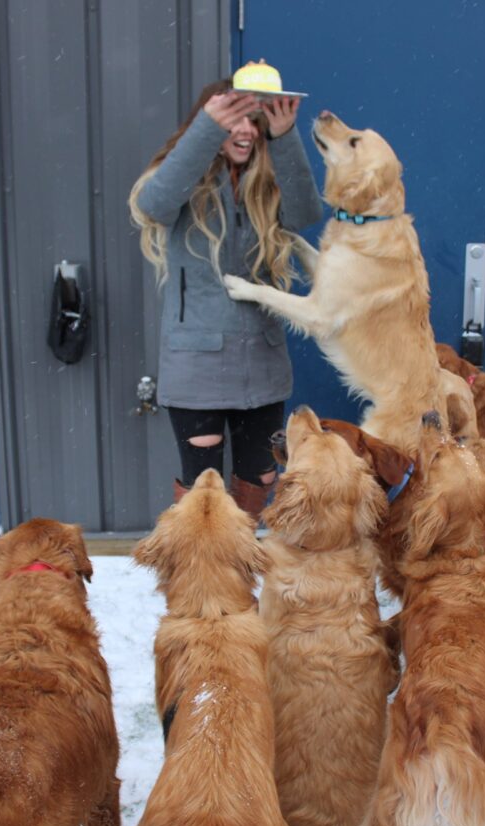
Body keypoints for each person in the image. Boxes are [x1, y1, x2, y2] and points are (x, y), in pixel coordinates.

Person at [129, 78, 322, 517]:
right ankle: (202, 578)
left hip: (262, 360)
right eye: (235, 118)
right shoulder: (186, 177)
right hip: (195, 361)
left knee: (262, 478)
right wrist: (206, 130)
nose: (246, 131)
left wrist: (285, 136)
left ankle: (239, 574)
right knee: (204, 488)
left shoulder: (266, 181)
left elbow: (305, 213)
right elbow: (154, 205)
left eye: (254, 120)